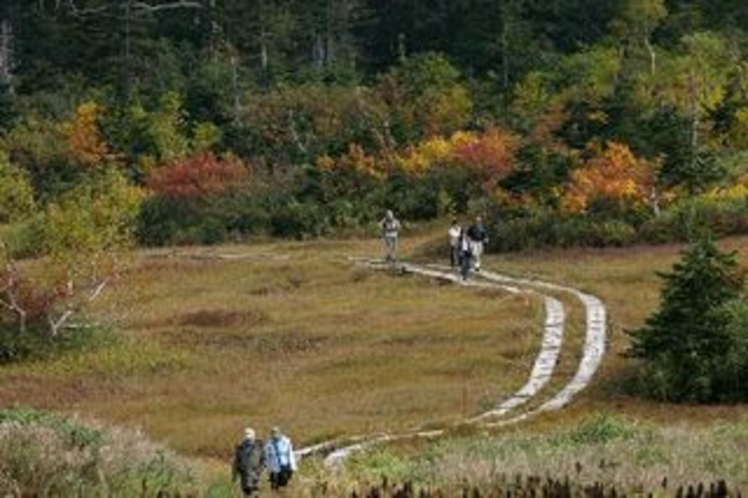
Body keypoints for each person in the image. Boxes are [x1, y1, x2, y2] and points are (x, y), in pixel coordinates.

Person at [232, 427, 265, 497]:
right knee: (247, 494)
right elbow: (236, 463)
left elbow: (264, 460)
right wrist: (234, 476)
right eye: (247, 437)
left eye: (250, 437)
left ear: (254, 436)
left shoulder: (259, 447)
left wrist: (259, 470)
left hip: (256, 476)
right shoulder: (240, 448)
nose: (248, 439)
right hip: (244, 477)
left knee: (255, 494)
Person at [264, 426, 297, 491]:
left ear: (280, 433)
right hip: (274, 469)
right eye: (273, 433)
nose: (275, 435)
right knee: (274, 487)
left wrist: (293, 467)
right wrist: (268, 469)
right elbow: (267, 458)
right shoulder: (268, 445)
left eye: (276, 432)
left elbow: (290, 455)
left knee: (284, 486)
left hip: (285, 467)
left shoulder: (286, 442)